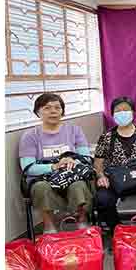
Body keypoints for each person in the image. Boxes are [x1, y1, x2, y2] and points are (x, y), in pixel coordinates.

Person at [19, 93, 93, 234]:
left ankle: (82, 221)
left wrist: (73, 161)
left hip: (71, 176)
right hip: (44, 179)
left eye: (57, 108)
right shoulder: (30, 136)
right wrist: (54, 166)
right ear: (37, 112)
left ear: (62, 111)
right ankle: (49, 226)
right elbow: (28, 168)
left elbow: (86, 158)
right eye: (47, 108)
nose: (53, 111)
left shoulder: (74, 130)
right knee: (41, 187)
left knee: (78, 185)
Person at [92, 96, 136, 233]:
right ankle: (117, 230)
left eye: (126, 110)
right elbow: (98, 161)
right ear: (112, 114)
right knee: (103, 198)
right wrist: (101, 176)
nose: (122, 113)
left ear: (133, 112)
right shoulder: (107, 137)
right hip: (116, 180)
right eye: (118, 111)